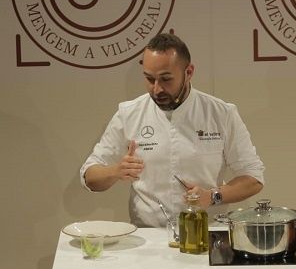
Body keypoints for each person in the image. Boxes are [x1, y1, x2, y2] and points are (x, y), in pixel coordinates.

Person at [80, 32, 264, 227]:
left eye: (166, 79)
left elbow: (253, 178)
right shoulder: (129, 114)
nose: (157, 89)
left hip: (208, 233)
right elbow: (89, 176)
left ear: (189, 72)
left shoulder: (221, 113)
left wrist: (213, 196)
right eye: (149, 79)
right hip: (148, 236)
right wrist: (115, 171)